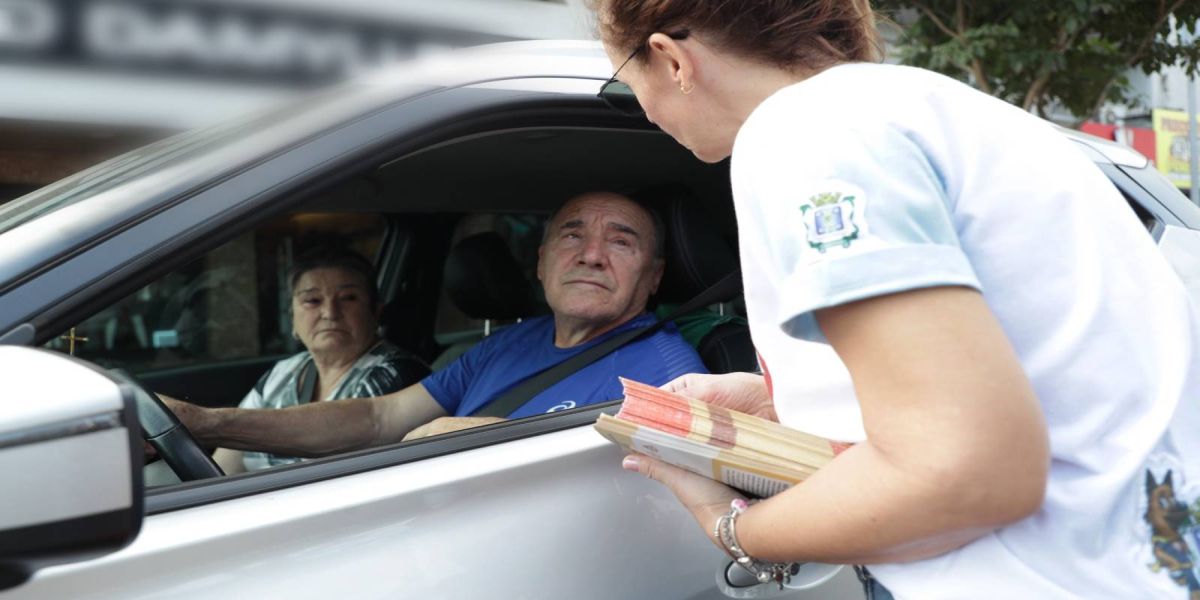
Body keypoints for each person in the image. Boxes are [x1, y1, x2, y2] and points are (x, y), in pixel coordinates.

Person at [589, 1, 1200, 599]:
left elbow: (965, 475)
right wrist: (780, 403)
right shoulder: (934, 109)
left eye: (627, 79)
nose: (643, 112)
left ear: (671, 60)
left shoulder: (804, 135)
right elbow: (1025, 364)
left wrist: (735, 529)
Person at [166, 191, 707, 458]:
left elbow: (639, 491)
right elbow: (380, 419)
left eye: (620, 240)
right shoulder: (509, 343)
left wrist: (500, 438)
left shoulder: (672, 374)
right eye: (572, 235)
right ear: (541, 260)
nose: (591, 255)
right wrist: (207, 423)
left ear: (654, 276)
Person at [208, 246, 428, 473]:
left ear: (375, 312)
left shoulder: (393, 375)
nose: (330, 313)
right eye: (312, 300)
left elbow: (330, 476)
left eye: (348, 298)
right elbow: (226, 461)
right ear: (292, 317)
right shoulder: (283, 373)